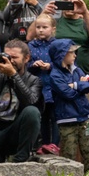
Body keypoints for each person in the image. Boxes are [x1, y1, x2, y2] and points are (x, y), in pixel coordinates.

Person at [48, 39, 89, 171]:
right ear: (61, 55)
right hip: (67, 119)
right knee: (69, 153)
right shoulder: (55, 75)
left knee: (88, 152)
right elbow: (68, 94)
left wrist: (75, 85)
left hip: (84, 117)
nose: (75, 55)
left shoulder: (77, 70)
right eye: (71, 53)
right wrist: (81, 87)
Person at [27, 15, 57, 149]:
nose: (40, 30)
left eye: (45, 27)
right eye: (38, 27)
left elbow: (63, 64)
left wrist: (50, 66)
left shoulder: (57, 45)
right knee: (42, 117)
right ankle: (43, 144)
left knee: (55, 117)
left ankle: (55, 145)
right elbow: (25, 64)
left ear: (53, 29)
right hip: (38, 86)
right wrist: (34, 64)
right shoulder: (31, 46)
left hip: (54, 86)